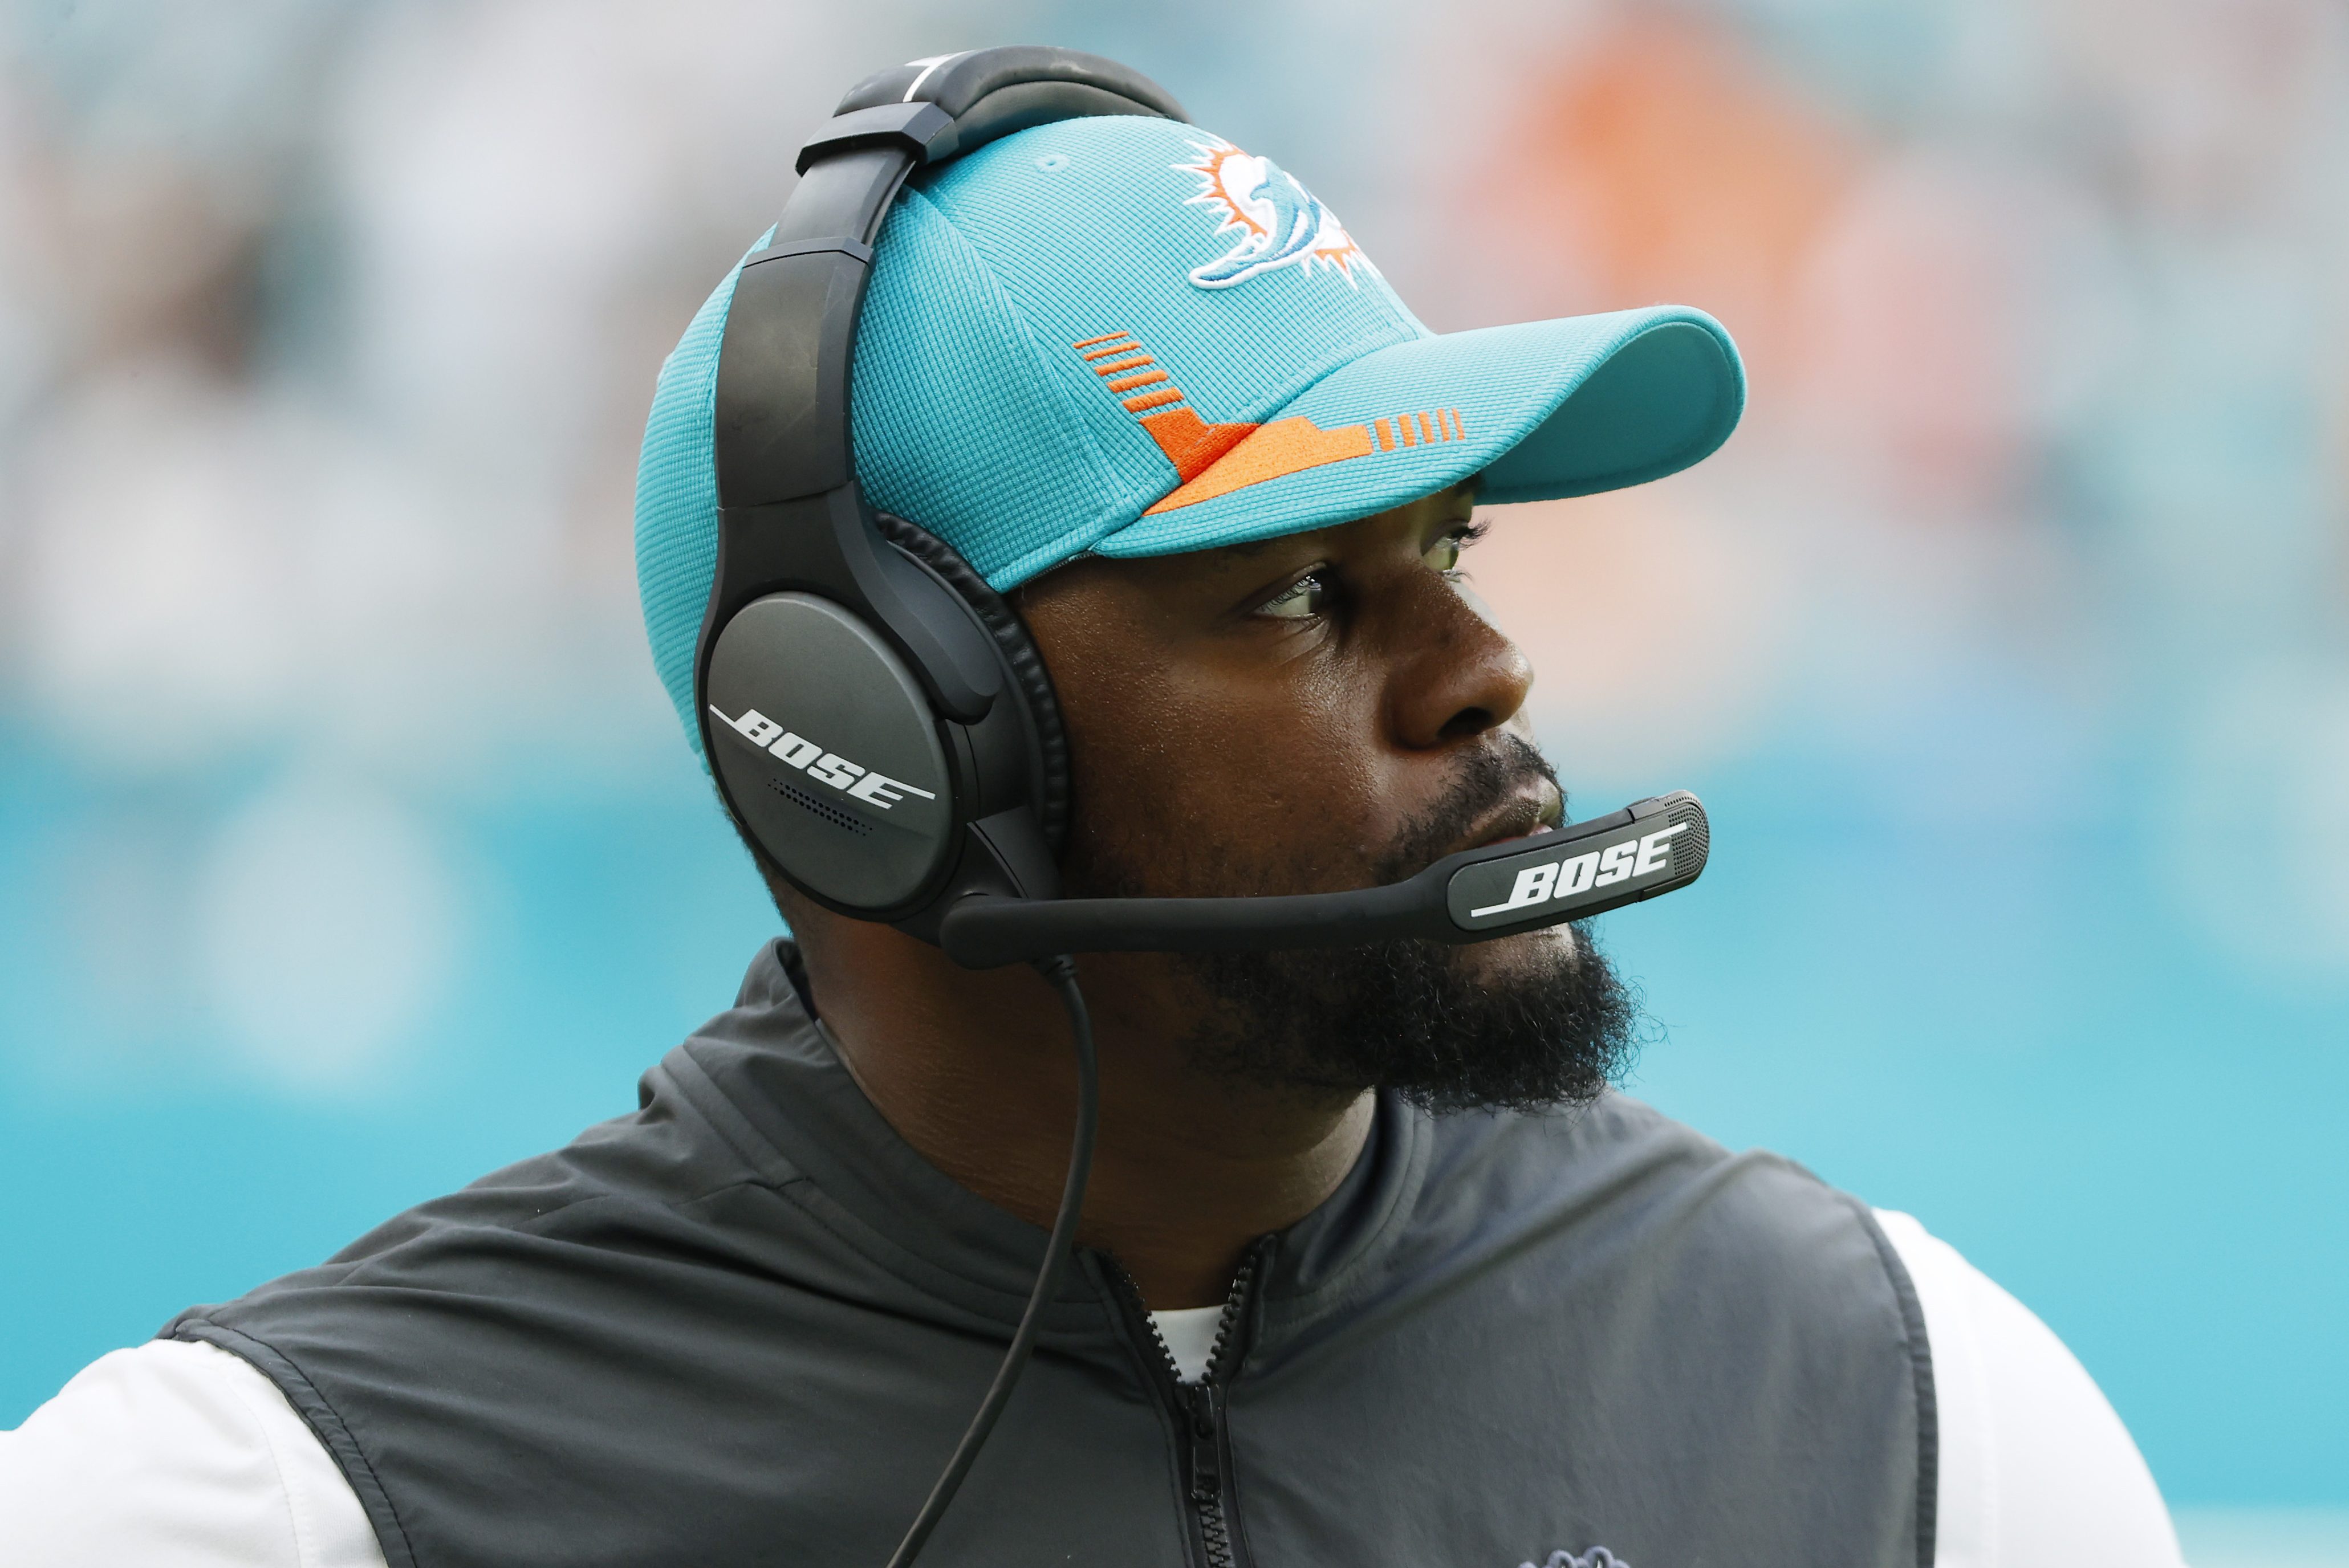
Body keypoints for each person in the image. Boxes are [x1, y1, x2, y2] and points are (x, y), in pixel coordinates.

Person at [2, 57, 2185, 1568]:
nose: (1487, 674)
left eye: (1461, 555)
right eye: (1306, 594)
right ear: (894, 740)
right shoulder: (293, 1506)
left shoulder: (1904, 1415)